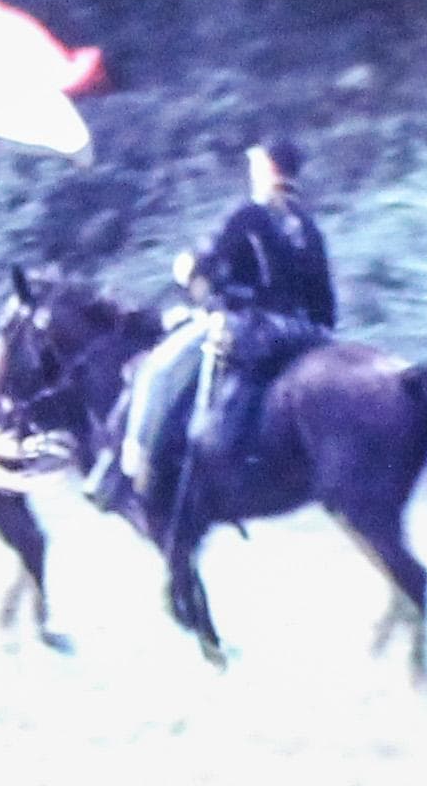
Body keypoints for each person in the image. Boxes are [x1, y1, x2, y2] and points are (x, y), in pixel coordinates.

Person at [109, 138, 338, 536]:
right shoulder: (310, 226)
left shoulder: (249, 215)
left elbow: (206, 266)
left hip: (257, 328)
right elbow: (325, 301)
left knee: (159, 369)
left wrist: (185, 268)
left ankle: (137, 465)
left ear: (268, 168)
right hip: (308, 334)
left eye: (255, 165)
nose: (252, 173)